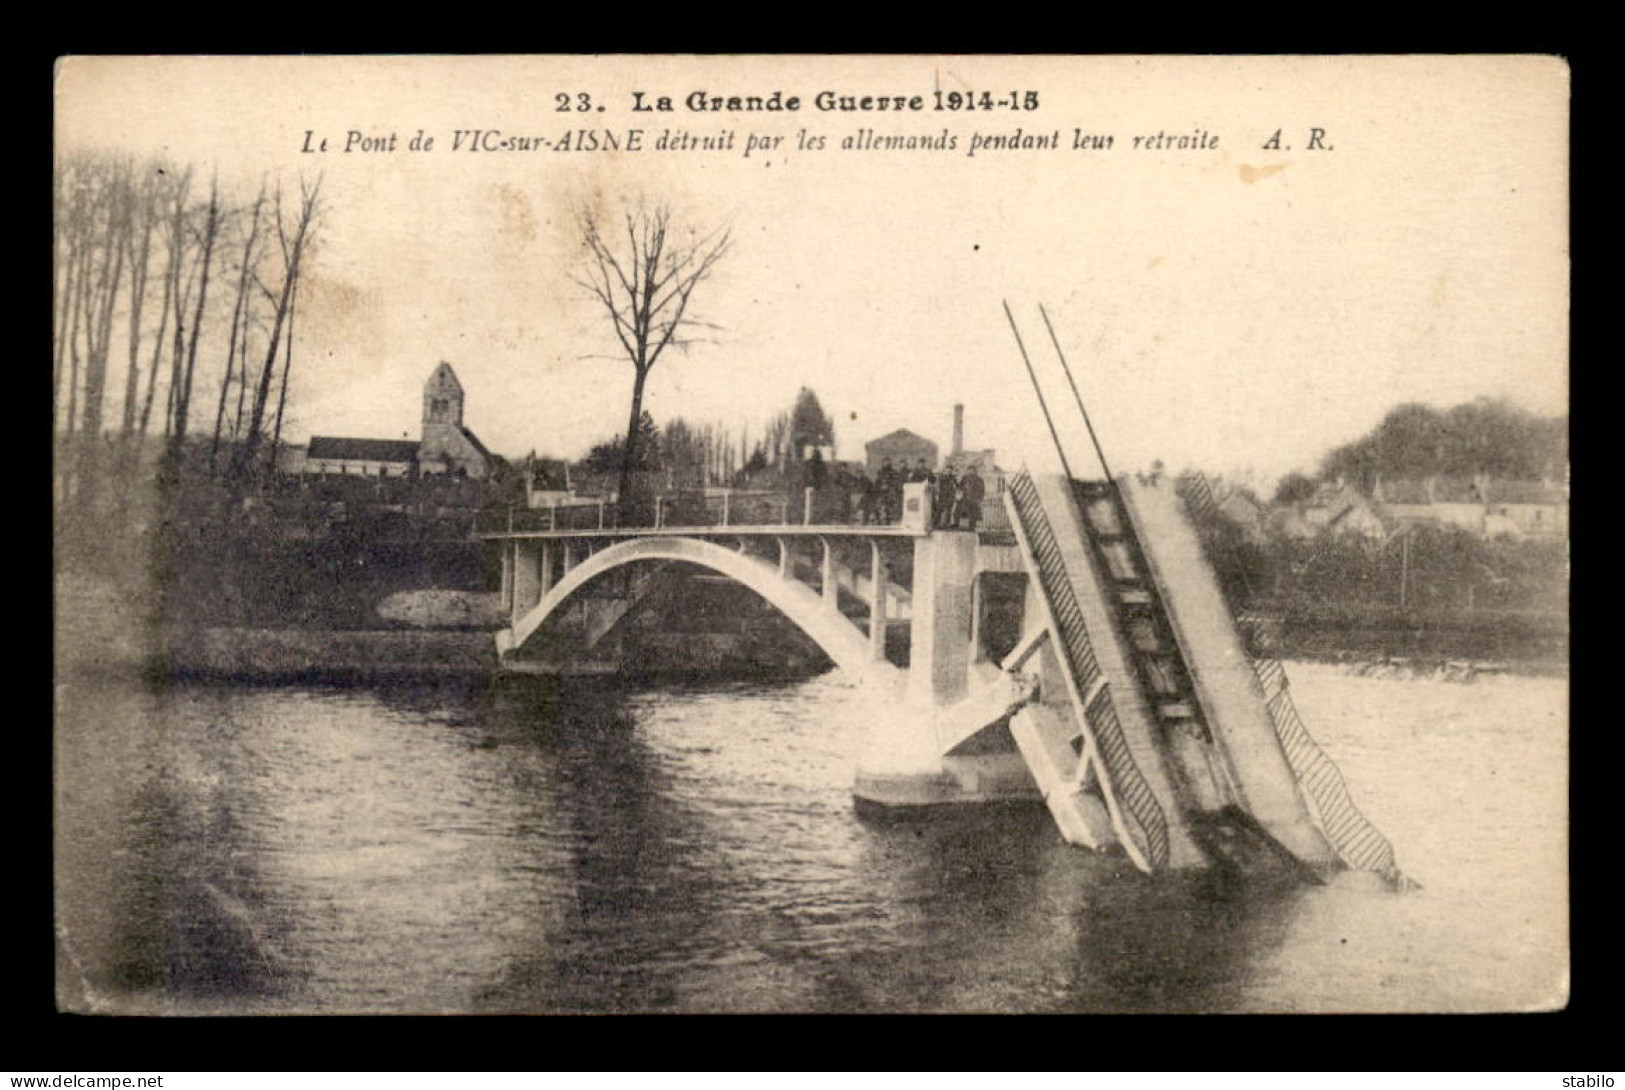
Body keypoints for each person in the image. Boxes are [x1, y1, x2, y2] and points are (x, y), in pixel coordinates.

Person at [957, 464, 985, 531]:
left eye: (972, 470)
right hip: (965, 498)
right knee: (961, 512)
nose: (971, 472)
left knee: (973, 514)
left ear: (975, 471)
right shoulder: (965, 478)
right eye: (969, 470)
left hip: (974, 500)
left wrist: (980, 499)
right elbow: (960, 487)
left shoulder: (979, 480)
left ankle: (972, 527)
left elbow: (982, 490)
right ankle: (960, 526)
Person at [875, 458, 900, 524]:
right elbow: (877, 482)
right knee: (880, 507)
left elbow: (896, 482)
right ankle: (879, 521)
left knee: (889, 507)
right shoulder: (880, 472)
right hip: (881, 493)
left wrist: (891, 487)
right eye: (885, 462)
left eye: (888, 462)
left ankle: (888, 521)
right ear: (883, 463)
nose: (887, 463)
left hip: (889, 493)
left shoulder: (893, 472)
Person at [934, 464, 959, 529]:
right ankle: (936, 524)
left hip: (950, 496)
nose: (949, 472)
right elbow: (938, 486)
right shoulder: (941, 477)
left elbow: (957, 485)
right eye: (948, 470)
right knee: (940, 510)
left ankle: (944, 524)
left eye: (950, 470)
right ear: (945, 470)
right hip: (942, 495)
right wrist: (937, 494)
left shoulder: (952, 478)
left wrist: (956, 478)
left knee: (948, 510)